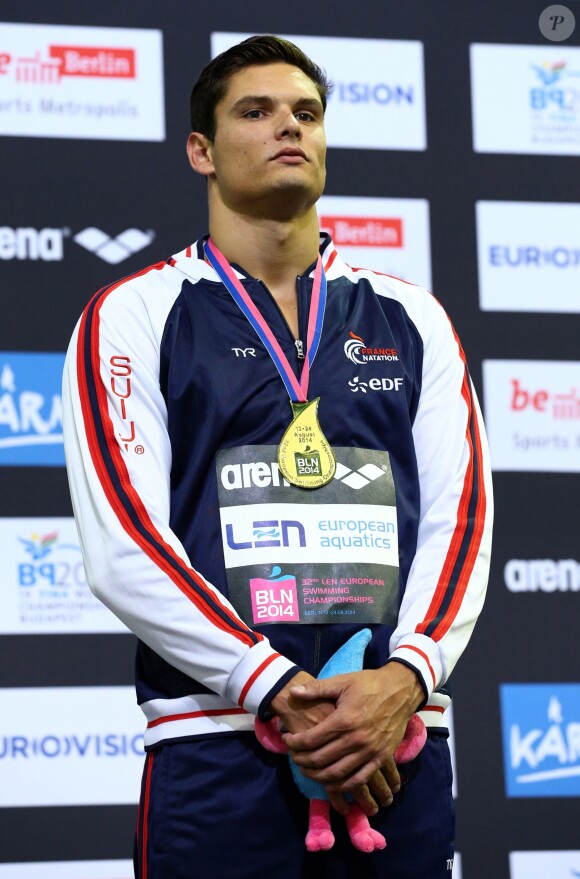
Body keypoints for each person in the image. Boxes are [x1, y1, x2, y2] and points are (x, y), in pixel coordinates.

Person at [63, 34, 493, 879]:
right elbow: (124, 543)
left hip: (393, 747)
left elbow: (462, 519)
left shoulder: (414, 317)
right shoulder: (137, 314)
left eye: (306, 112)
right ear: (202, 151)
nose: (287, 128)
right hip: (224, 745)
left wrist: (406, 674)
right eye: (254, 112)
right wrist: (274, 685)